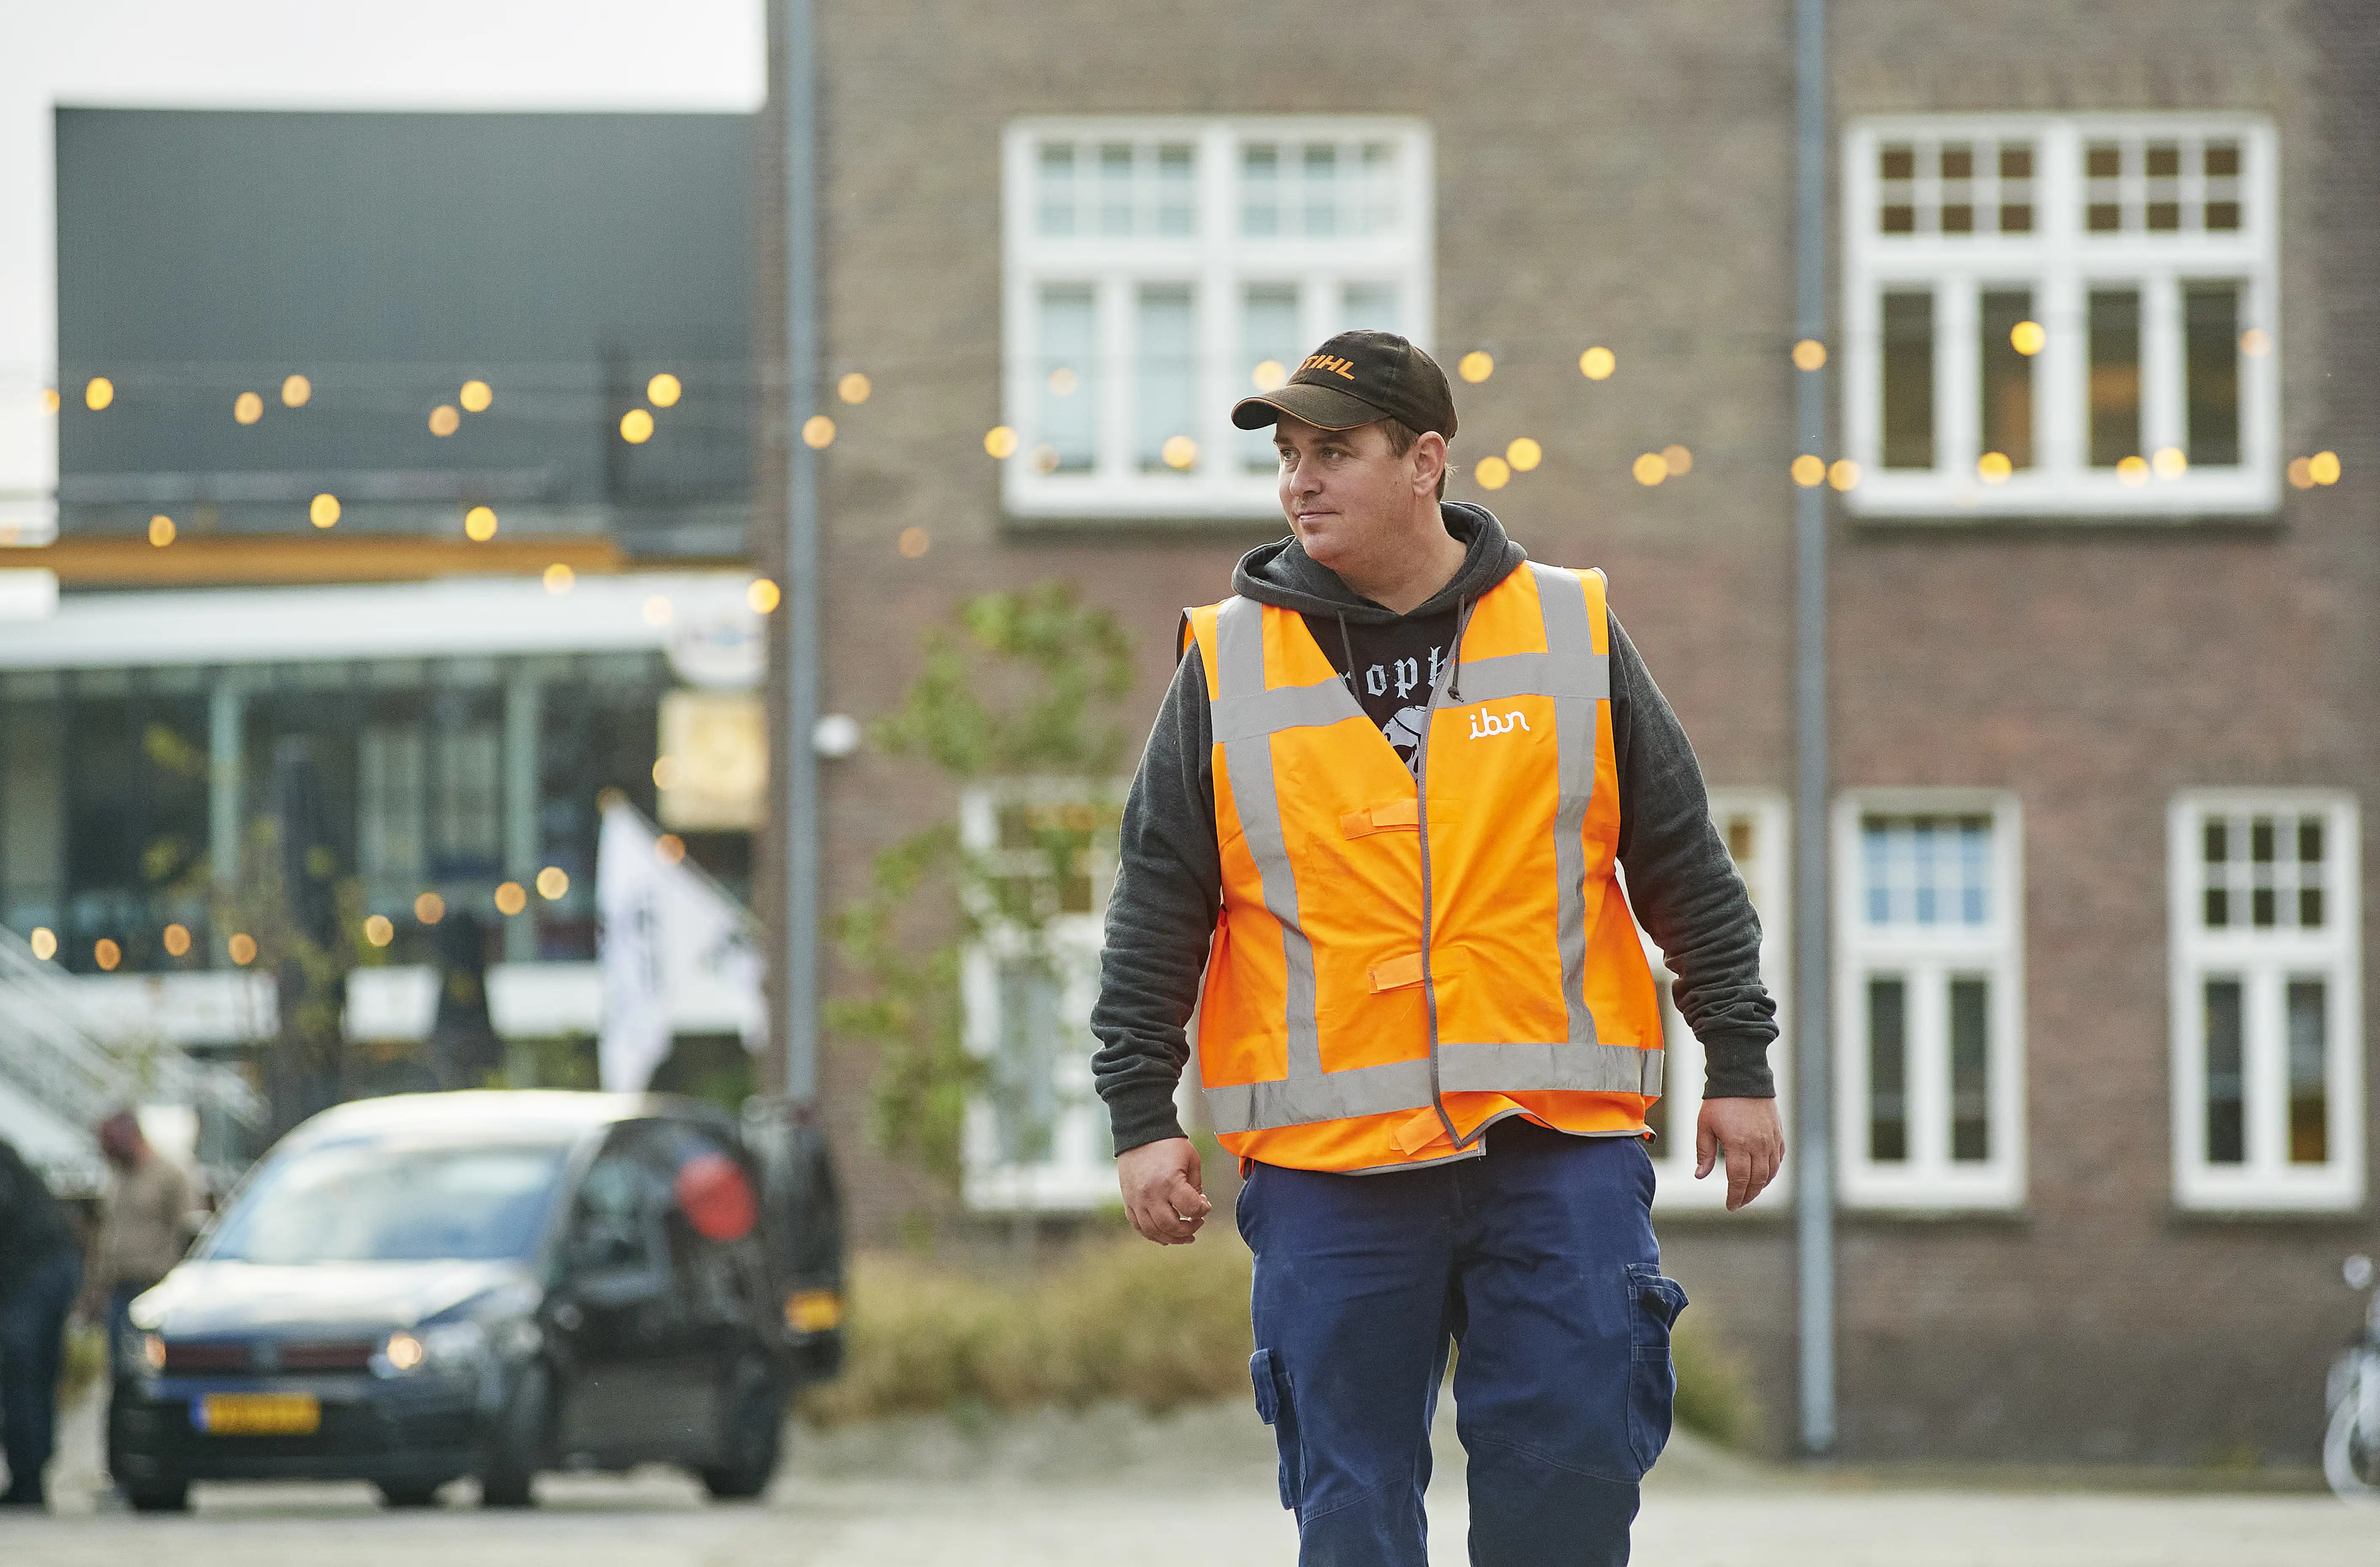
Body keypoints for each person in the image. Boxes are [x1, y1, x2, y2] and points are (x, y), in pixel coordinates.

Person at [1090, 330, 1783, 1565]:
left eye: (1334, 451)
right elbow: (1157, 900)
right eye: (1289, 455)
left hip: (1552, 1144)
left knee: (1570, 1482)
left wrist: (1736, 1058)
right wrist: (1140, 1110)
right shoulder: (1227, 659)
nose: (1301, 479)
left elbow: (1680, 855)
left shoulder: (1567, 627)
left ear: (1424, 461)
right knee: (1350, 1515)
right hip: (1328, 1167)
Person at [80, 1112, 200, 1379]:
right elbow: (105, 1237)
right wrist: (93, 1294)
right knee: (119, 1374)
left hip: (153, 1290)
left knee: (148, 1374)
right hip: (119, 1291)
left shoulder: (170, 1173)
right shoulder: (117, 1178)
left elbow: (189, 1230)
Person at [0, 1135, 84, 1510]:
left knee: (21, 1369)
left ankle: (29, 1478)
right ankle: (30, 1474)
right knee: (35, 1373)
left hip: (37, 1273)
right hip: (48, 1268)